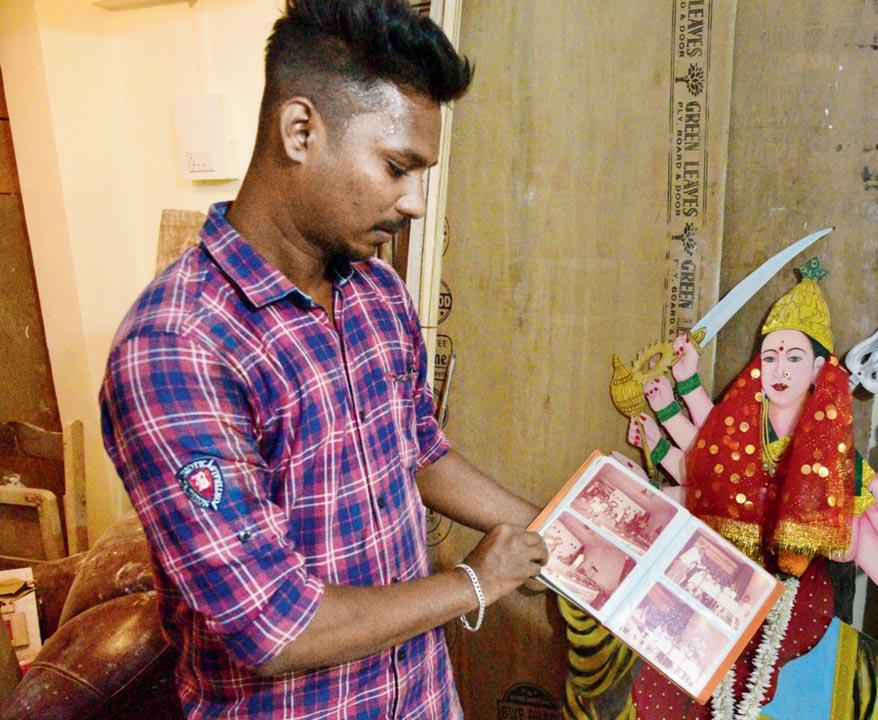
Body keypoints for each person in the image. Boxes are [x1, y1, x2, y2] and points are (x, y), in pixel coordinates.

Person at [98, 2, 547, 718]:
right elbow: (274, 626)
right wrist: (474, 583)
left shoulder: (376, 294)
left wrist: (555, 531)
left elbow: (419, 451)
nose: (416, 203)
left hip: (424, 700)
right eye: (398, 167)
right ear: (301, 130)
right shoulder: (176, 346)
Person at [628, 259, 878, 717]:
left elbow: (873, 497)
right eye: (770, 357)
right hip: (727, 549)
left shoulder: (826, 442)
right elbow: (703, 441)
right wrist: (681, 384)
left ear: (817, 369)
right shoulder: (742, 424)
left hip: (795, 576)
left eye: (793, 357)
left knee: (854, 523)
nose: (779, 369)